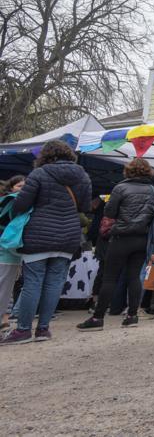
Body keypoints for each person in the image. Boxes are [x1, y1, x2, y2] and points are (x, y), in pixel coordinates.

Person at [1, 140, 91, 345]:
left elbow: (21, 205)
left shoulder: (39, 174)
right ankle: (43, 329)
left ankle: (23, 330)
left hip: (38, 235)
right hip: (68, 236)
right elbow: (85, 206)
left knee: (32, 282)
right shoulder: (83, 176)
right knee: (54, 283)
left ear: (45, 155)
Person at [77, 159, 154, 331]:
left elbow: (109, 212)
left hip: (121, 236)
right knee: (134, 277)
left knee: (110, 278)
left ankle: (98, 317)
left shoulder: (120, 188)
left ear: (128, 171)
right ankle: (132, 315)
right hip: (142, 238)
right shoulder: (153, 190)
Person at [0, 176, 26, 331]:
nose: (22, 189)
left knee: (7, 289)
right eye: (19, 186)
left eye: (25, 186)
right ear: (11, 188)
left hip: (9, 253)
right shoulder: (13, 202)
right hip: (7, 251)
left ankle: (4, 318)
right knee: (5, 288)